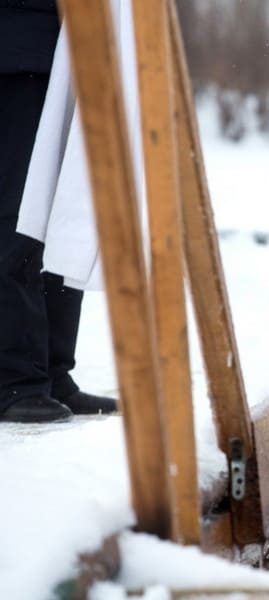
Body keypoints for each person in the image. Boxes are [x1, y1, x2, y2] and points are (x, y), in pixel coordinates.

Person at [0, 0, 117, 423]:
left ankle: (51, 371)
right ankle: (14, 379)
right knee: (18, 215)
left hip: (69, 50)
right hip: (16, 56)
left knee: (65, 211)